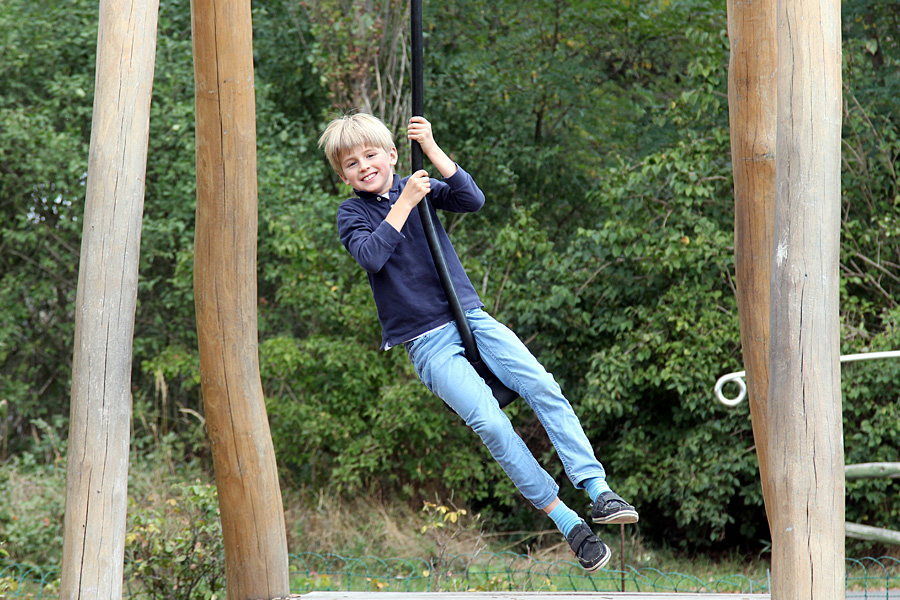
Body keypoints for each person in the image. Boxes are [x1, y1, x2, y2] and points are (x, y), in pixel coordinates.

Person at [318, 111, 638, 572]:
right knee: (491, 424)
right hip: (426, 341)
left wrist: (430, 150)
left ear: (391, 154)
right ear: (341, 174)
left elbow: (472, 198)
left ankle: (598, 490)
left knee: (542, 385)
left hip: (471, 317)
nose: (363, 167)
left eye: (371, 155)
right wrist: (403, 202)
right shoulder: (353, 212)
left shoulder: (420, 184)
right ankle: (568, 523)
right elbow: (371, 256)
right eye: (350, 164)